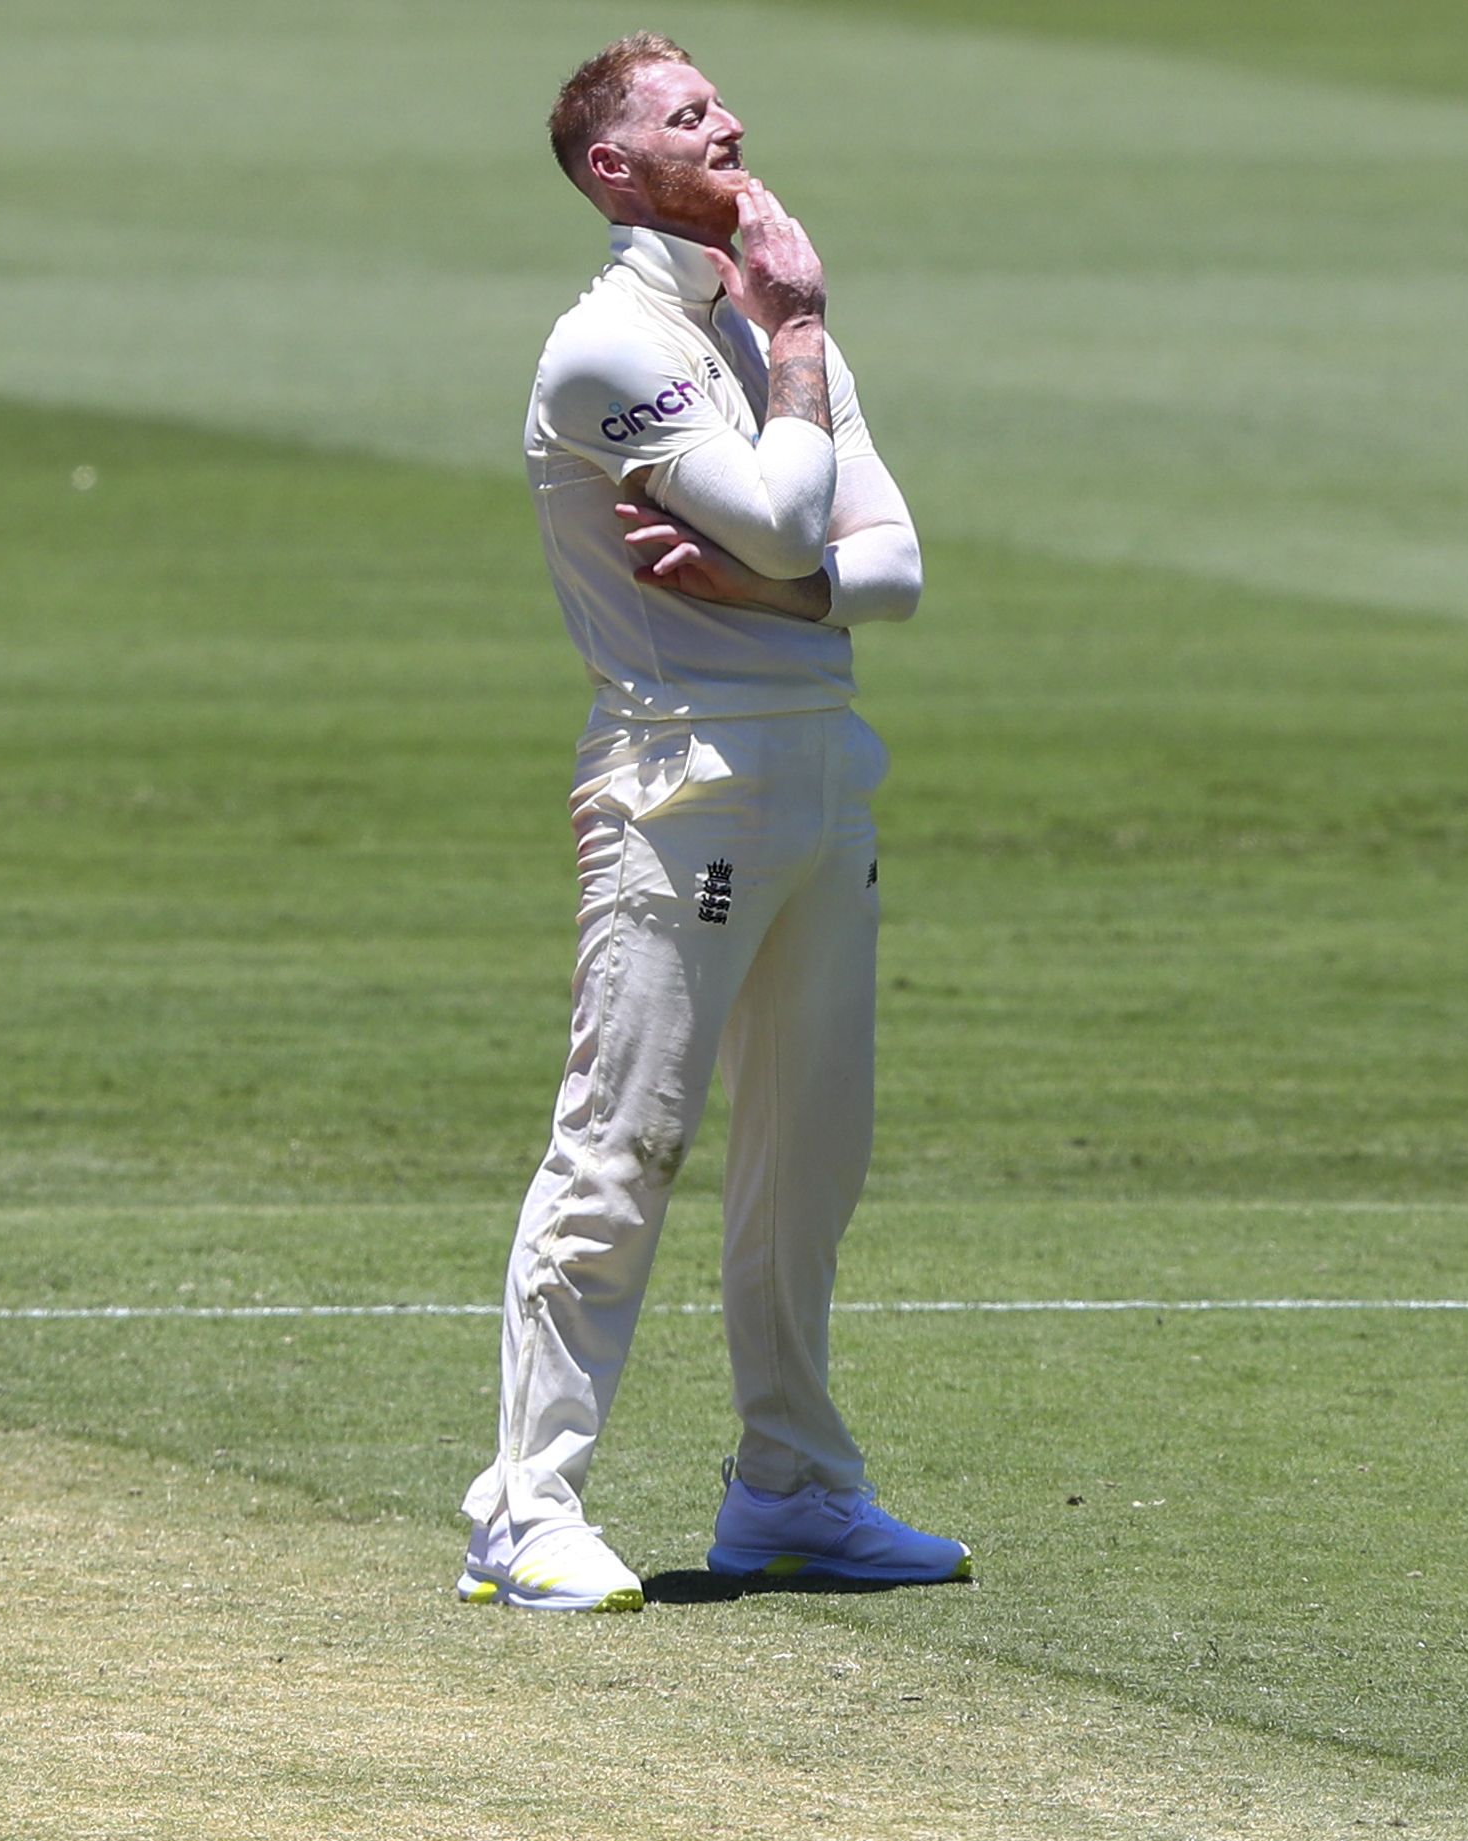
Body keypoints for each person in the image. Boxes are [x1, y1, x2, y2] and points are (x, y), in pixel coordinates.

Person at [457, 33, 968, 1612]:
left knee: (810, 1160)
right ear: (615, 169)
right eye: (687, 115)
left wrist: (782, 583)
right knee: (626, 1145)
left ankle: (794, 1490)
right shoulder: (611, 347)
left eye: (718, 99)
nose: (730, 122)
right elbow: (785, 508)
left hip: (820, 768)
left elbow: (888, 565)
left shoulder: (765, 322)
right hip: (679, 778)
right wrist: (800, 348)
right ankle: (525, 1510)